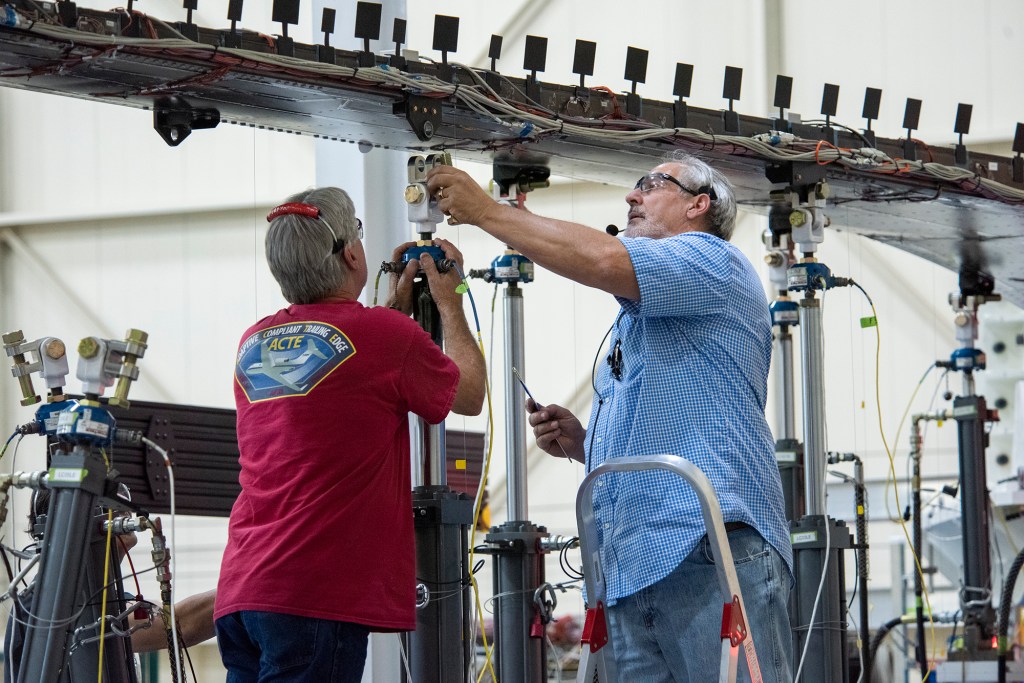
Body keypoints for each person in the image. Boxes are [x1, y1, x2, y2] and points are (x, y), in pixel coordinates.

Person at [426, 154, 793, 682]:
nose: (631, 196)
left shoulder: (714, 261)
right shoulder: (640, 322)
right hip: (630, 568)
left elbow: (601, 260)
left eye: (651, 185)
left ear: (699, 204)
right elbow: (671, 420)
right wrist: (585, 444)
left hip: (707, 551)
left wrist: (487, 211)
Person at [214, 187, 485, 683]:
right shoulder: (385, 336)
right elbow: (468, 395)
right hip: (317, 595)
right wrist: (451, 301)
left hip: (244, 591)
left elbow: (341, 383)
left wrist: (391, 312)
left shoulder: (253, 342)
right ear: (352, 252)